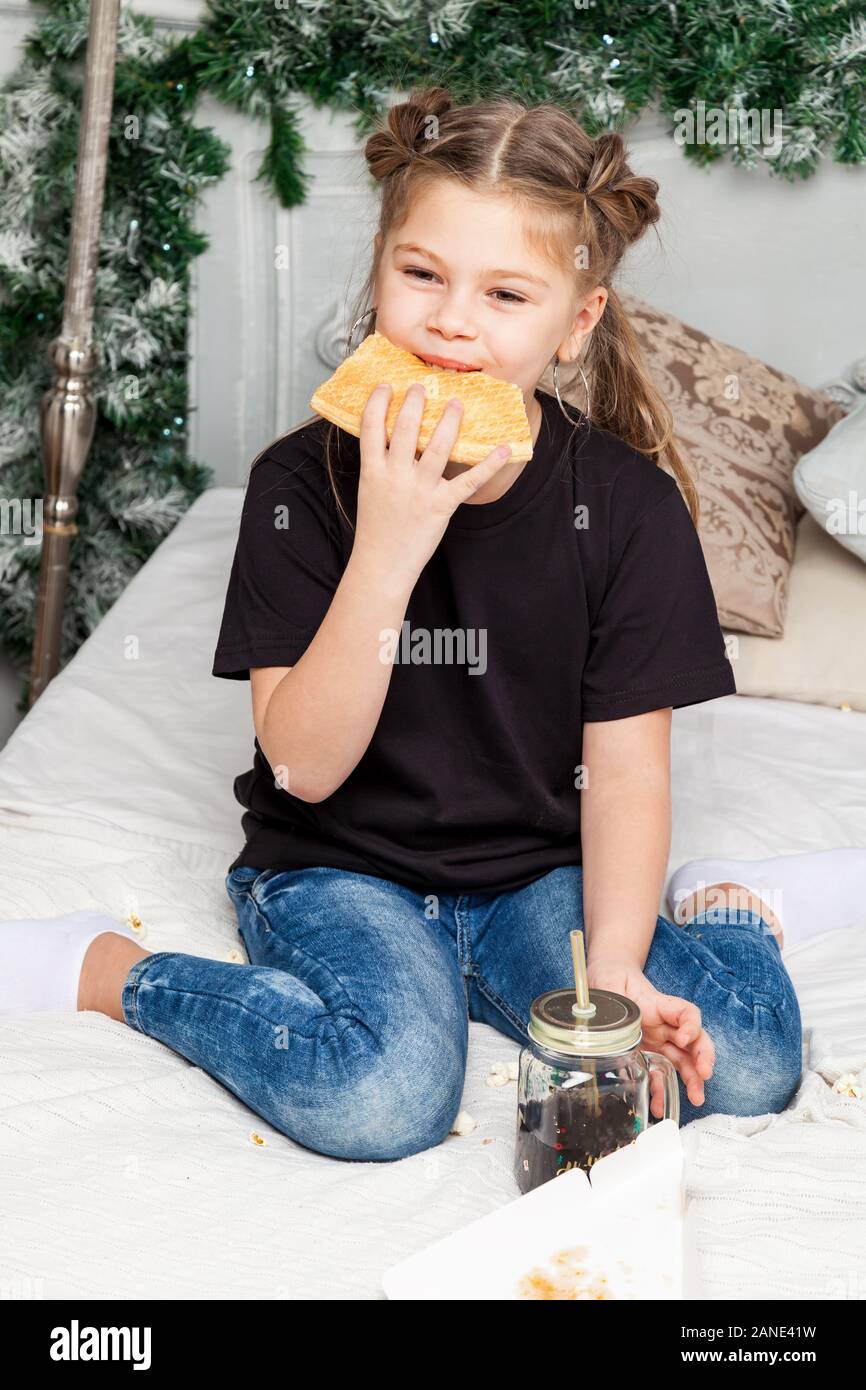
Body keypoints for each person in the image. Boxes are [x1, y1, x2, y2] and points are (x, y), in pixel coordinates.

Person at [7, 88, 865, 1158]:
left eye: (507, 293)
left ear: (574, 325)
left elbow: (628, 772)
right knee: (379, 1100)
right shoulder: (295, 488)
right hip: (339, 865)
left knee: (743, 1063)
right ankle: (111, 972)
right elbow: (303, 767)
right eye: (421, 274)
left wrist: (614, 972)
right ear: (378, 272)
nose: (453, 321)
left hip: (537, 877)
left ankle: (731, 909)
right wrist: (391, 542)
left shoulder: (627, 509)